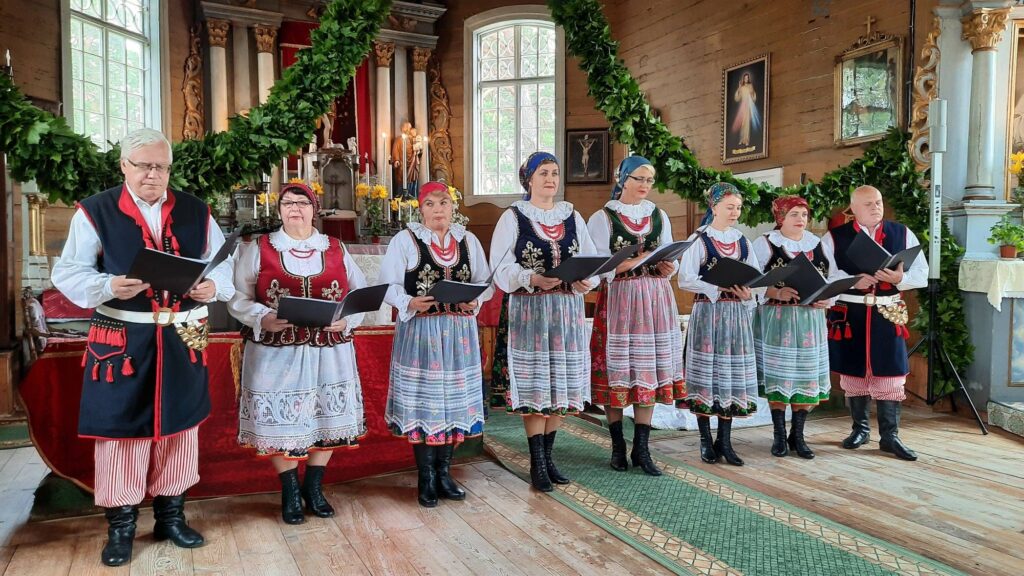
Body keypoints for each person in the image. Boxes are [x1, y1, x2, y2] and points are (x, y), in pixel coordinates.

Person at [51, 128, 234, 566]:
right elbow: (69, 272)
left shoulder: (196, 210)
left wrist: (213, 287)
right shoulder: (95, 211)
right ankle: (121, 528)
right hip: (122, 342)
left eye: (161, 167)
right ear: (124, 166)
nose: (153, 174)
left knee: (179, 428)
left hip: (182, 338)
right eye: (144, 166)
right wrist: (108, 285)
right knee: (121, 433)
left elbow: (224, 265)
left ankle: (171, 517)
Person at [228, 182, 368, 524]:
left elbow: (360, 292)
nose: (295, 208)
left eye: (302, 202)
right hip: (276, 351)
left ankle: (314, 488)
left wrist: (347, 319)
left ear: (313, 209)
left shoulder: (335, 247)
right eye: (288, 202)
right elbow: (237, 297)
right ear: (279, 210)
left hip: (329, 351)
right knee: (282, 420)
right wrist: (263, 317)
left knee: (326, 417)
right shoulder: (260, 248)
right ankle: (290, 490)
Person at [490, 151, 598, 492]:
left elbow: (592, 259)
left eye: (554, 172)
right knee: (536, 385)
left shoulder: (572, 216)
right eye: (543, 173)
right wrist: (532, 278)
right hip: (530, 311)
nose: (551, 179)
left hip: (566, 312)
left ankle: (549, 457)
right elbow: (499, 267)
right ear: (529, 179)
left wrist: (587, 280)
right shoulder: (513, 217)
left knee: (560, 384)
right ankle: (537, 461)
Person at [379, 181, 492, 507]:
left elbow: (484, 283)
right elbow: (387, 285)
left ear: (452, 206)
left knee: (452, 404)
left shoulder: (468, 240)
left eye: (443, 202)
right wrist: (409, 302)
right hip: (422, 333)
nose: (438, 209)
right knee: (425, 404)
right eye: (430, 203)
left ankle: (444, 473)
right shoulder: (406, 240)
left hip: (459, 335)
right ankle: (426, 477)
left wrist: (476, 300)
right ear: (421, 209)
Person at [587, 156, 684, 476]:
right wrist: (627, 264)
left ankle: (642, 449)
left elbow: (671, 258)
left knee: (648, 370)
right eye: (639, 178)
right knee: (617, 371)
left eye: (649, 180)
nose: (645, 185)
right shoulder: (603, 218)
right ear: (623, 179)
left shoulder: (658, 214)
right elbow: (596, 266)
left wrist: (668, 267)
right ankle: (617, 446)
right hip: (621, 300)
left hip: (655, 299)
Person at [821, 185, 927, 461]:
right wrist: (852, 281)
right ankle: (860, 429)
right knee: (854, 370)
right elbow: (825, 278)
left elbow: (922, 273)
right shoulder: (834, 237)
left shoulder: (902, 233)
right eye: (868, 204)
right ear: (853, 209)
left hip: (888, 313)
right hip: (851, 314)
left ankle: (890, 437)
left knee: (891, 371)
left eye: (878, 202)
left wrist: (900, 279)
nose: (875, 207)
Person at [677, 182, 760, 466]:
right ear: (714, 207)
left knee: (730, 376)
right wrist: (716, 287)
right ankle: (705, 439)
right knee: (706, 376)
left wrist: (748, 294)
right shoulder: (699, 239)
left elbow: (755, 278)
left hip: (735, 315)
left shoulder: (743, 241)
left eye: (738, 208)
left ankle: (724, 441)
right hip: (708, 313)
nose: (735, 212)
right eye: (730, 207)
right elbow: (685, 278)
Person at [751, 196, 832, 459]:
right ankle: (778, 435)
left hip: (810, 321)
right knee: (780, 376)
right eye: (794, 214)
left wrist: (826, 298)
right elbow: (751, 281)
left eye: (804, 215)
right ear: (780, 217)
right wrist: (775, 291)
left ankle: (797, 435)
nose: (801, 219)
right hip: (778, 318)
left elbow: (833, 278)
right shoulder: (765, 243)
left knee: (805, 377)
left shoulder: (817, 244)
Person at [731, 72, 761, 148]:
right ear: (743, 79)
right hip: (742, 107)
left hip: (748, 106)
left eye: (747, 78)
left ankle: (746, 140)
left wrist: (752, 93)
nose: (746, 79)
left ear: (748, 78)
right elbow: (737, 98)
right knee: (742, 123)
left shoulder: (750, 86)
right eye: (745, 78)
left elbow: (754, 98)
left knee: (747, 123)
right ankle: (741, 139)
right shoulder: (741, 87)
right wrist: (738, 89)